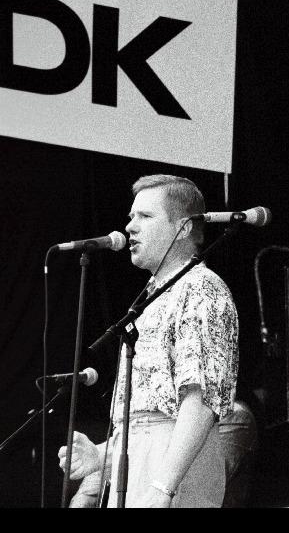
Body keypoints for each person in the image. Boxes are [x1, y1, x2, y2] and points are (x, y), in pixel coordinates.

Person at [59, 174, 239, 508]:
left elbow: (200, 401)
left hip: (173, 468)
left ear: (183, 227)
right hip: (143, 459)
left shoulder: (201, 288)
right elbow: (148, 415)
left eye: (145, 216)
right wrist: (102, 455)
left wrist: (164, 487)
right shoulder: (154, 294)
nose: (130, 227)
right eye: (131, 216)